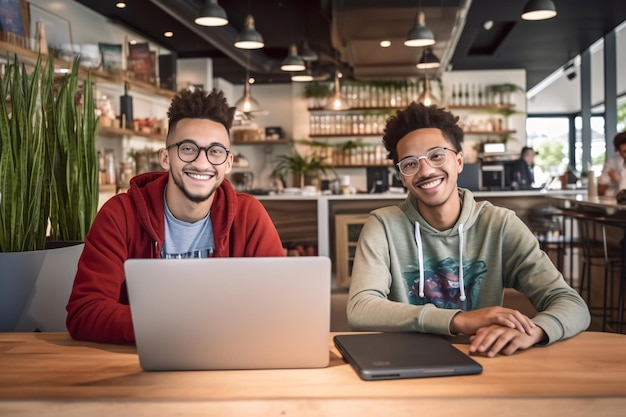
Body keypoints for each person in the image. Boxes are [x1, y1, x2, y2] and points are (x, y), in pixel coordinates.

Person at [347, 102, 590, 357]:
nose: (426, 170)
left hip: (482, 356)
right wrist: (458, 319)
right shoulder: (383, 225)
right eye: (410, 164)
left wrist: (535, 330)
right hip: (403, 360)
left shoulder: (499, 224)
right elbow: (360, 309)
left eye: (437, 155)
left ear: (459, 161)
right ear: (402, 176)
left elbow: (571, 304)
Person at [66, 89, 285, 344]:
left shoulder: (249, 216)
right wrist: (174, 328)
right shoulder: (119, 215)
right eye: (188, 148)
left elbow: (279, 305)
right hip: (139, 366)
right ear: (165, 158)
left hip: (226, 362)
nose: (202, 163)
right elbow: (85, 311)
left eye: (215, 151)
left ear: (228, 163)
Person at [597, 131, 626, 197]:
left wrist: (619, 180)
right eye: (625, 152)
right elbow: (600, 191)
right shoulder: (613, 163)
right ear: (618, 152)